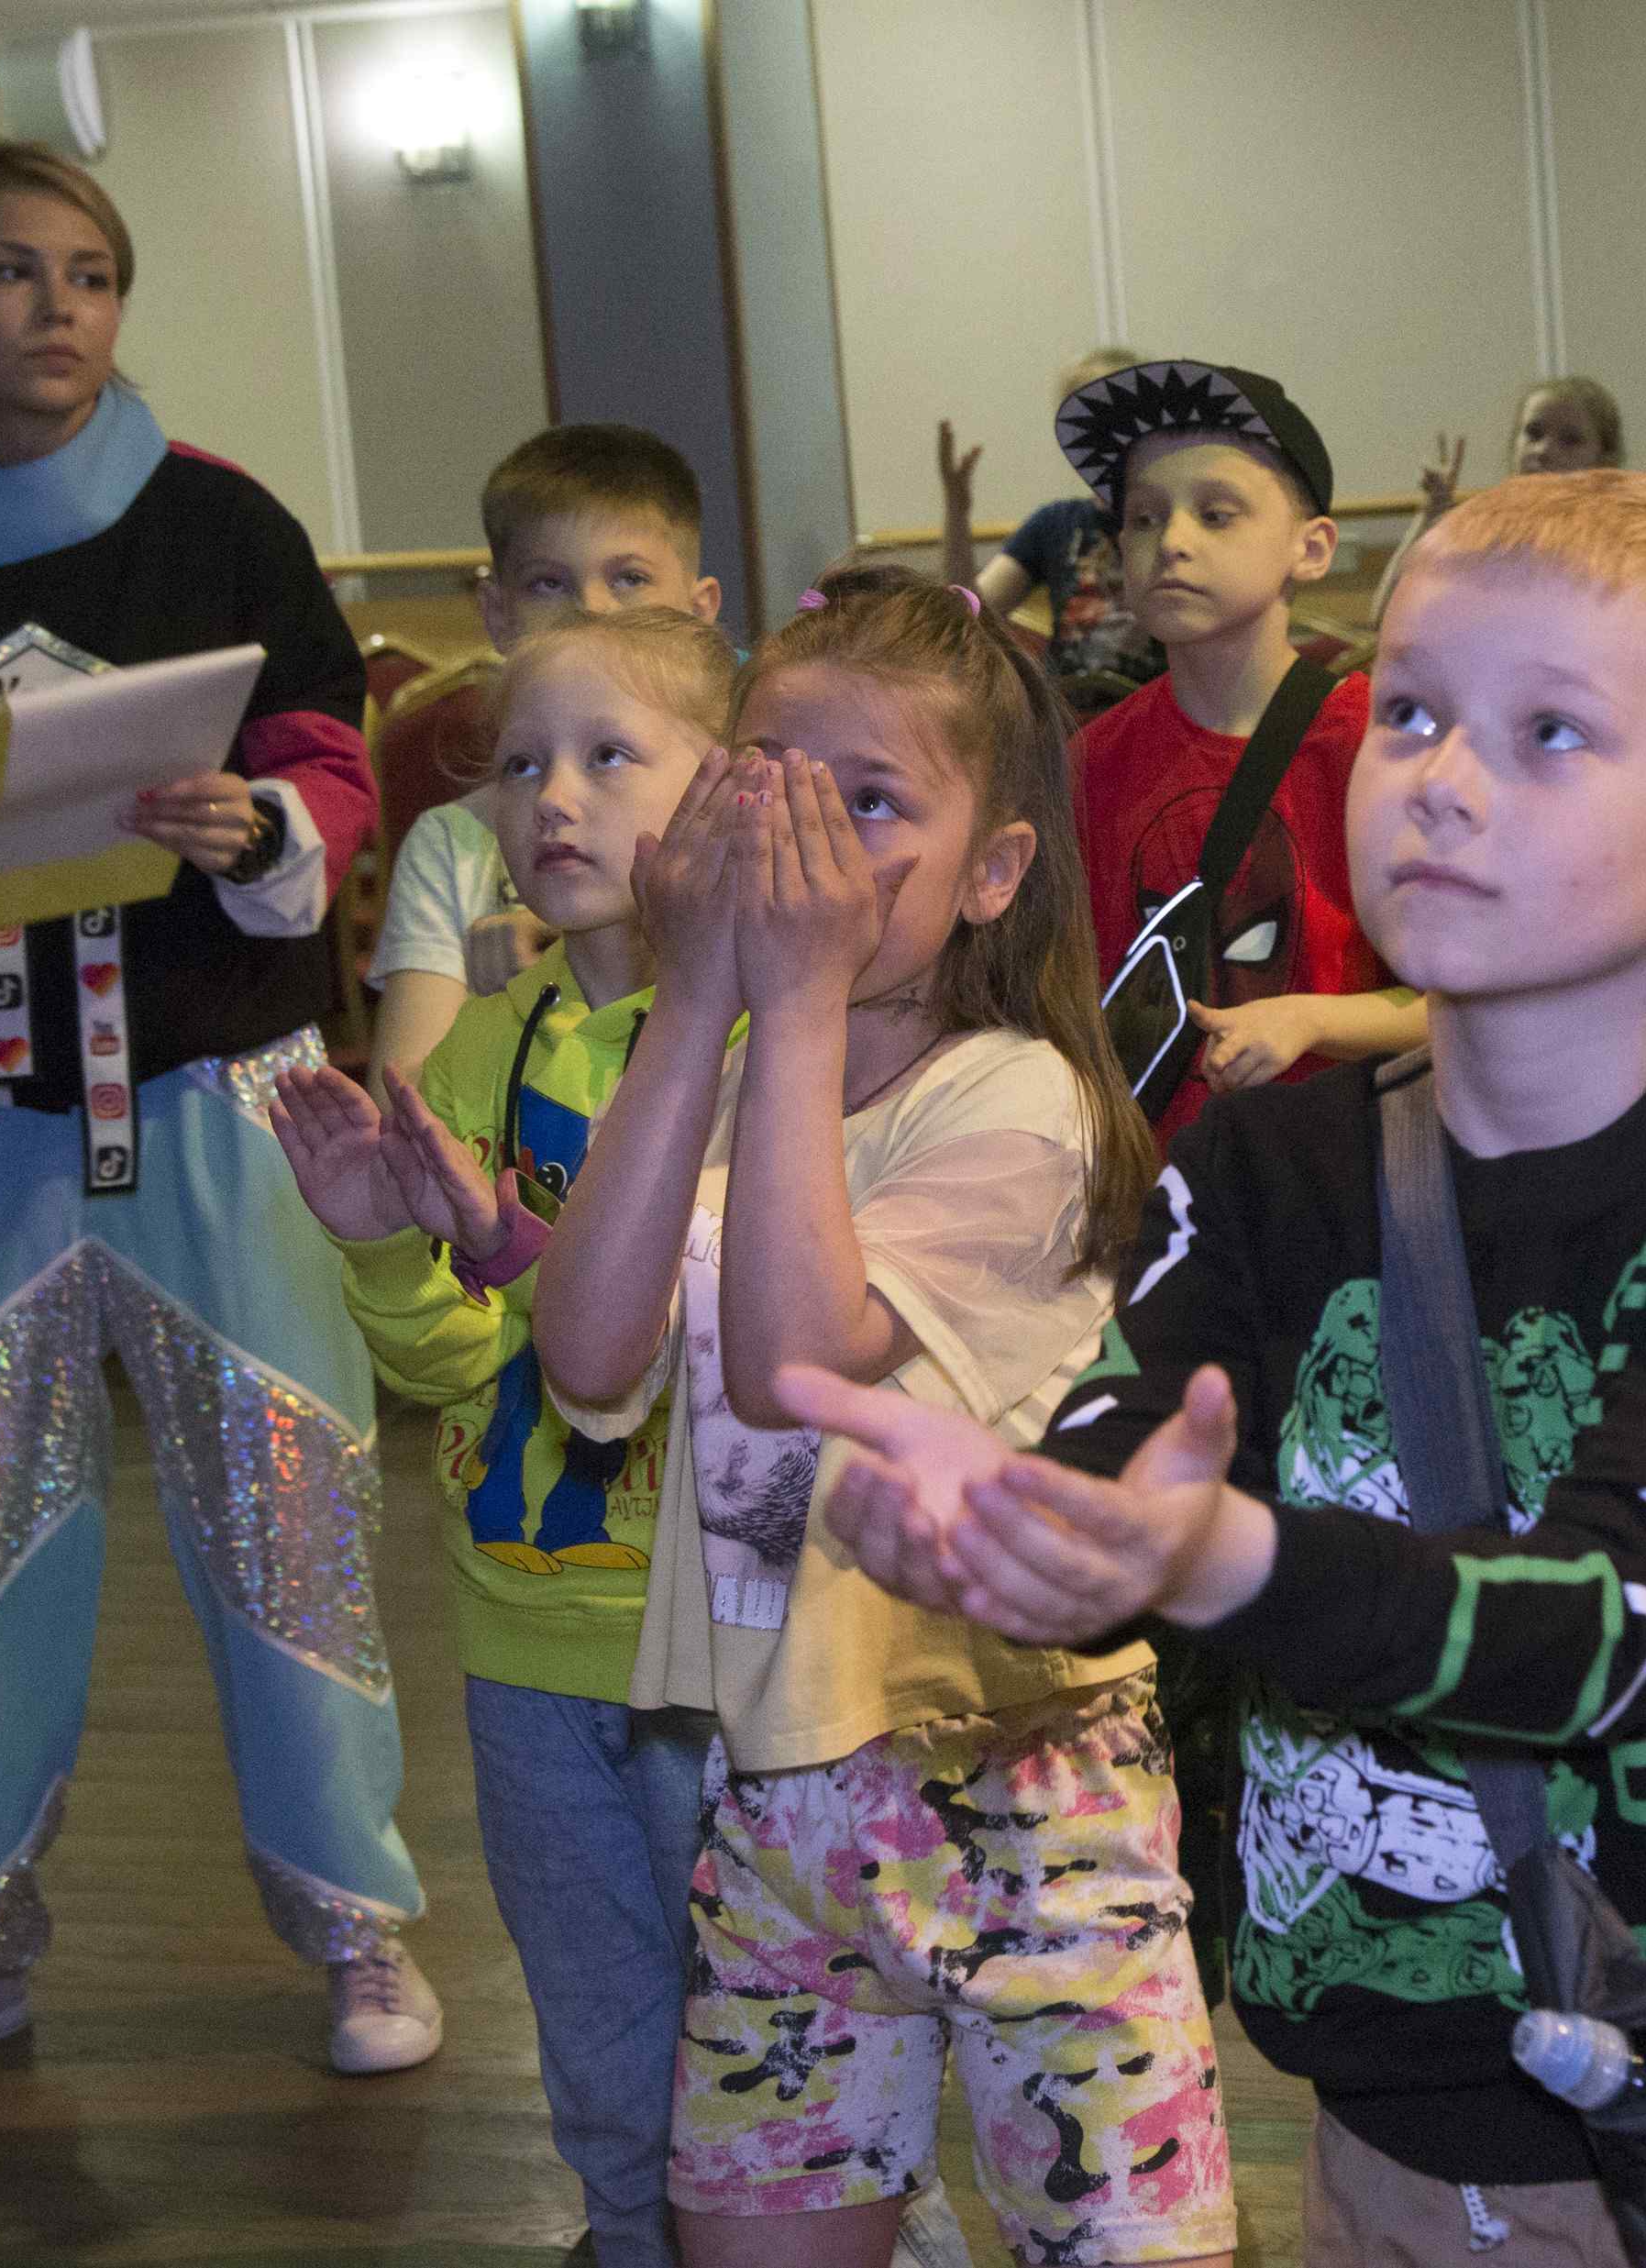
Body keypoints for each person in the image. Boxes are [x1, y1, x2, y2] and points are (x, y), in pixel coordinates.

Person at [786, 470, 1646, 2268]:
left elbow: (1596, 1623)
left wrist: (1208, 1560)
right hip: (1393, 2116)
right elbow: (1128, 1447)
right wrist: (1028, 1526)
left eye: (1550, 734)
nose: (1439, 774)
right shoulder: (1267, 1166)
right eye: (1416, 712)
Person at [0, 138, 430, 2111]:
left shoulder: (220, 518)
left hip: (222, 1105)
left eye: (90, 273)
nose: (54, 309)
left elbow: (324, 746)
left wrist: (267, 822)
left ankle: (352, 1920)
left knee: (289, 1520)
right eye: (7, 272)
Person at [530, 570, 1233, 2268]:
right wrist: (698, 995)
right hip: (779, 1797)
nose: (807, 845)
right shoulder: (719, 1070)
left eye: (869, 803)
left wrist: (794, 994)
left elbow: (792, 1364)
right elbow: (583, 1353)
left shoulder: (1021, 1096)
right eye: (767, 783)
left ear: (992, 869)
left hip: (1030, 1794)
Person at [272, 607, 722, 2266]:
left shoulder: (771, 1050)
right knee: (604, 2046)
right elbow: (455, 1368)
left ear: (726, 789)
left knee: (786, 2044)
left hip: (726, 1646)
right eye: (525, 764)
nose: (558, 799)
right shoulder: (474, 1045)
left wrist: (509, 1247)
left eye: (613, 756)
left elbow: (715, 1352)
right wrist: (387, 1238)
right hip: (527, 1638)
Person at [1058, 360, 1423, 1145]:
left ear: (1312, 547)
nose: (1172, 543)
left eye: (1216, 514)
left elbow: (1467, 1003)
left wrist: (1309, 1019)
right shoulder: (1088, 762)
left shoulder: (1379, 748)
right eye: (1144, 519)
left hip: (1334, 1190)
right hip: (1147, 1205)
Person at [367, 423, 726, 1099]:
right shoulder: (458, 844)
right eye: (548, 584)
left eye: (629, 578)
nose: (591, 609)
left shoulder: (754, 819)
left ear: (700, 608)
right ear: (497, 614)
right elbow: (402, 1108)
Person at [1369, 375, 1646, 624]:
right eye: (1533, 434)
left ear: (1605, 455)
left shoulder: (1628, 531)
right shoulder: (1482, 525)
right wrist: (1433, 513)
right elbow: (1386, 613)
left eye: (1570, 440)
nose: (1544, 450)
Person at [939, 344, 1167, 691]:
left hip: (1151, 715)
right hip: (1069, 715)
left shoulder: (1176, 522)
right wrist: (957, 514)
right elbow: (969, 615)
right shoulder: (1055, 522)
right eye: (1087, 426)